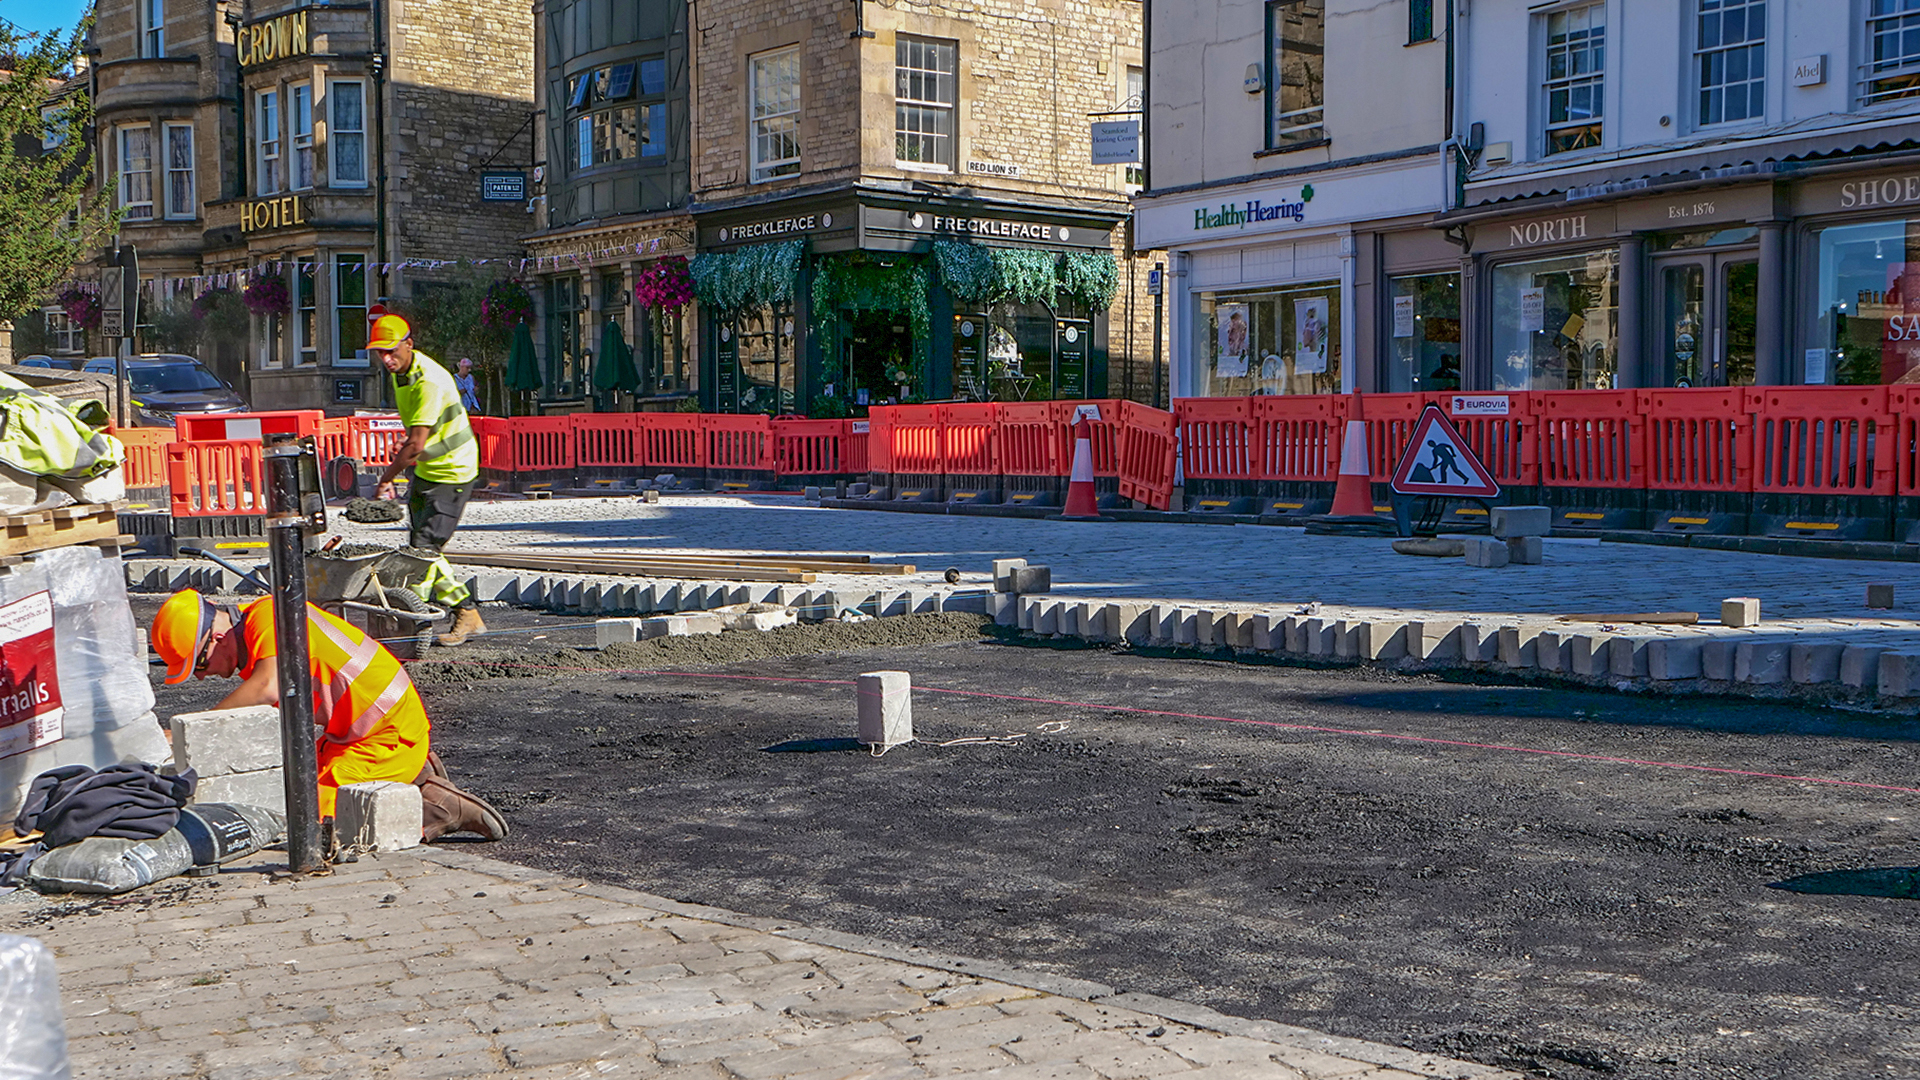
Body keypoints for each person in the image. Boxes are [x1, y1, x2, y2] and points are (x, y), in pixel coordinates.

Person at [149, 588, 508, 841]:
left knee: (312, 817)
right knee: (295, 789)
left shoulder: (268, 618)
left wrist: (192, 732)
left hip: (386, 733)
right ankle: (412, 773)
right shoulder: (262, 631)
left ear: (216, 637)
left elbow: (268, 688)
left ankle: (436, 807)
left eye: (198, 665)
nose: (200, 675)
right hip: (355, 733)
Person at [367, 314, 487, 647]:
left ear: (409, 344)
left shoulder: (428, 380)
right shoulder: (402, 374)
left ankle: (459, 611)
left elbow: (417, 444)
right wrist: (407, 448)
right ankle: (451, 613)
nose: (387, 359)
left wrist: (385, 479)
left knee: (424, 549)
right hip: (429, 468)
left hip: (453, 471)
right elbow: (419, 438)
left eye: (391, 351)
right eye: (380, 353)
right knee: (420, 549)